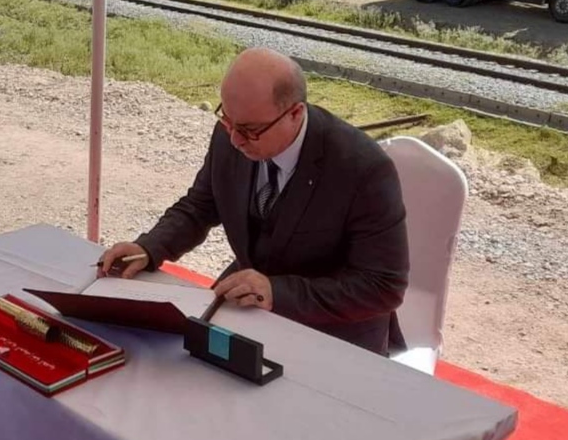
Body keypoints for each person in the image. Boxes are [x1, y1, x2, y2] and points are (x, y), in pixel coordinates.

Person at [100, 47, 409, 355]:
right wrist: (150, 247)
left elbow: (382, 287)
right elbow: (201, 205)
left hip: (334, 335)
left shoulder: (363, 168)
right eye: (227, 120)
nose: (235, 140)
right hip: (246, 309)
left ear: (295, 114)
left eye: (249, 130)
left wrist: (277, 293)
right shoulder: (232, 132)